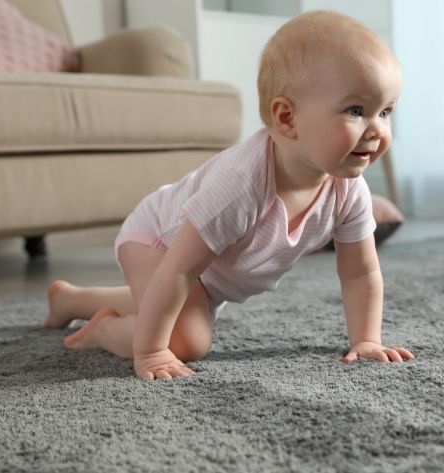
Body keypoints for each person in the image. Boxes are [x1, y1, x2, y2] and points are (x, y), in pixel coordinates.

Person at [43, 10, 414, 380]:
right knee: (190, 339)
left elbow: (360, 272)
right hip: (159, 241)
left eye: (385, 111)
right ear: (287, 118)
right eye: (356, 110)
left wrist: (366, 339)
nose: (377, 130)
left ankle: (72, 300)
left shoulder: (349, 190)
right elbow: (178, 270)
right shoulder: (242, 184)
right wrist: (153, 352)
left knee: (184, 307)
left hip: (205, 273)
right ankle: (105, 330)